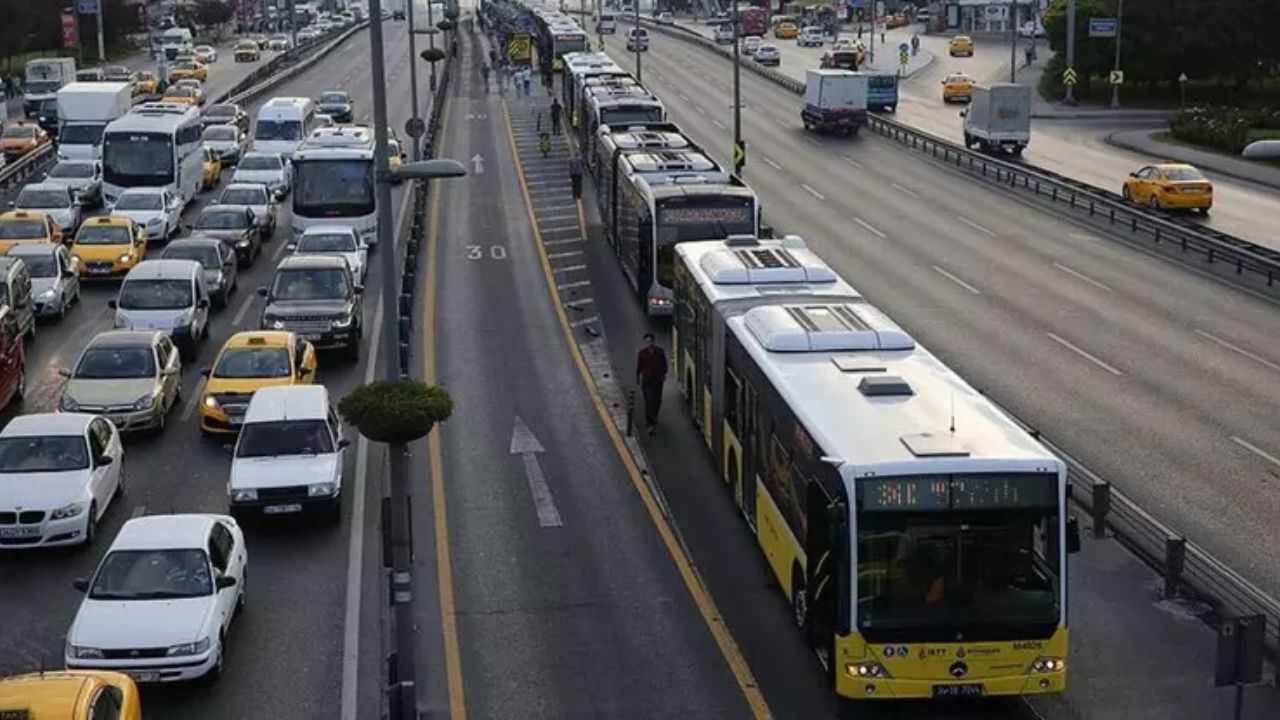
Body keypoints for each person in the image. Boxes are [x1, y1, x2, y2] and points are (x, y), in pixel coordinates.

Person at [636, 334, 668, 434]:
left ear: (653, 341)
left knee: (657, 399)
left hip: (657, 380)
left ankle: (654, 416)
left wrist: (663, 374)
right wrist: (638, 377)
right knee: (649, 400)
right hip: (646, 380)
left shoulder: (660, 352)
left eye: (650, 341)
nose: (648, 343)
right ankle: (649, 421)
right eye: (647, 341)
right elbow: (639, 366)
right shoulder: (642, 353)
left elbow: (664, 364)